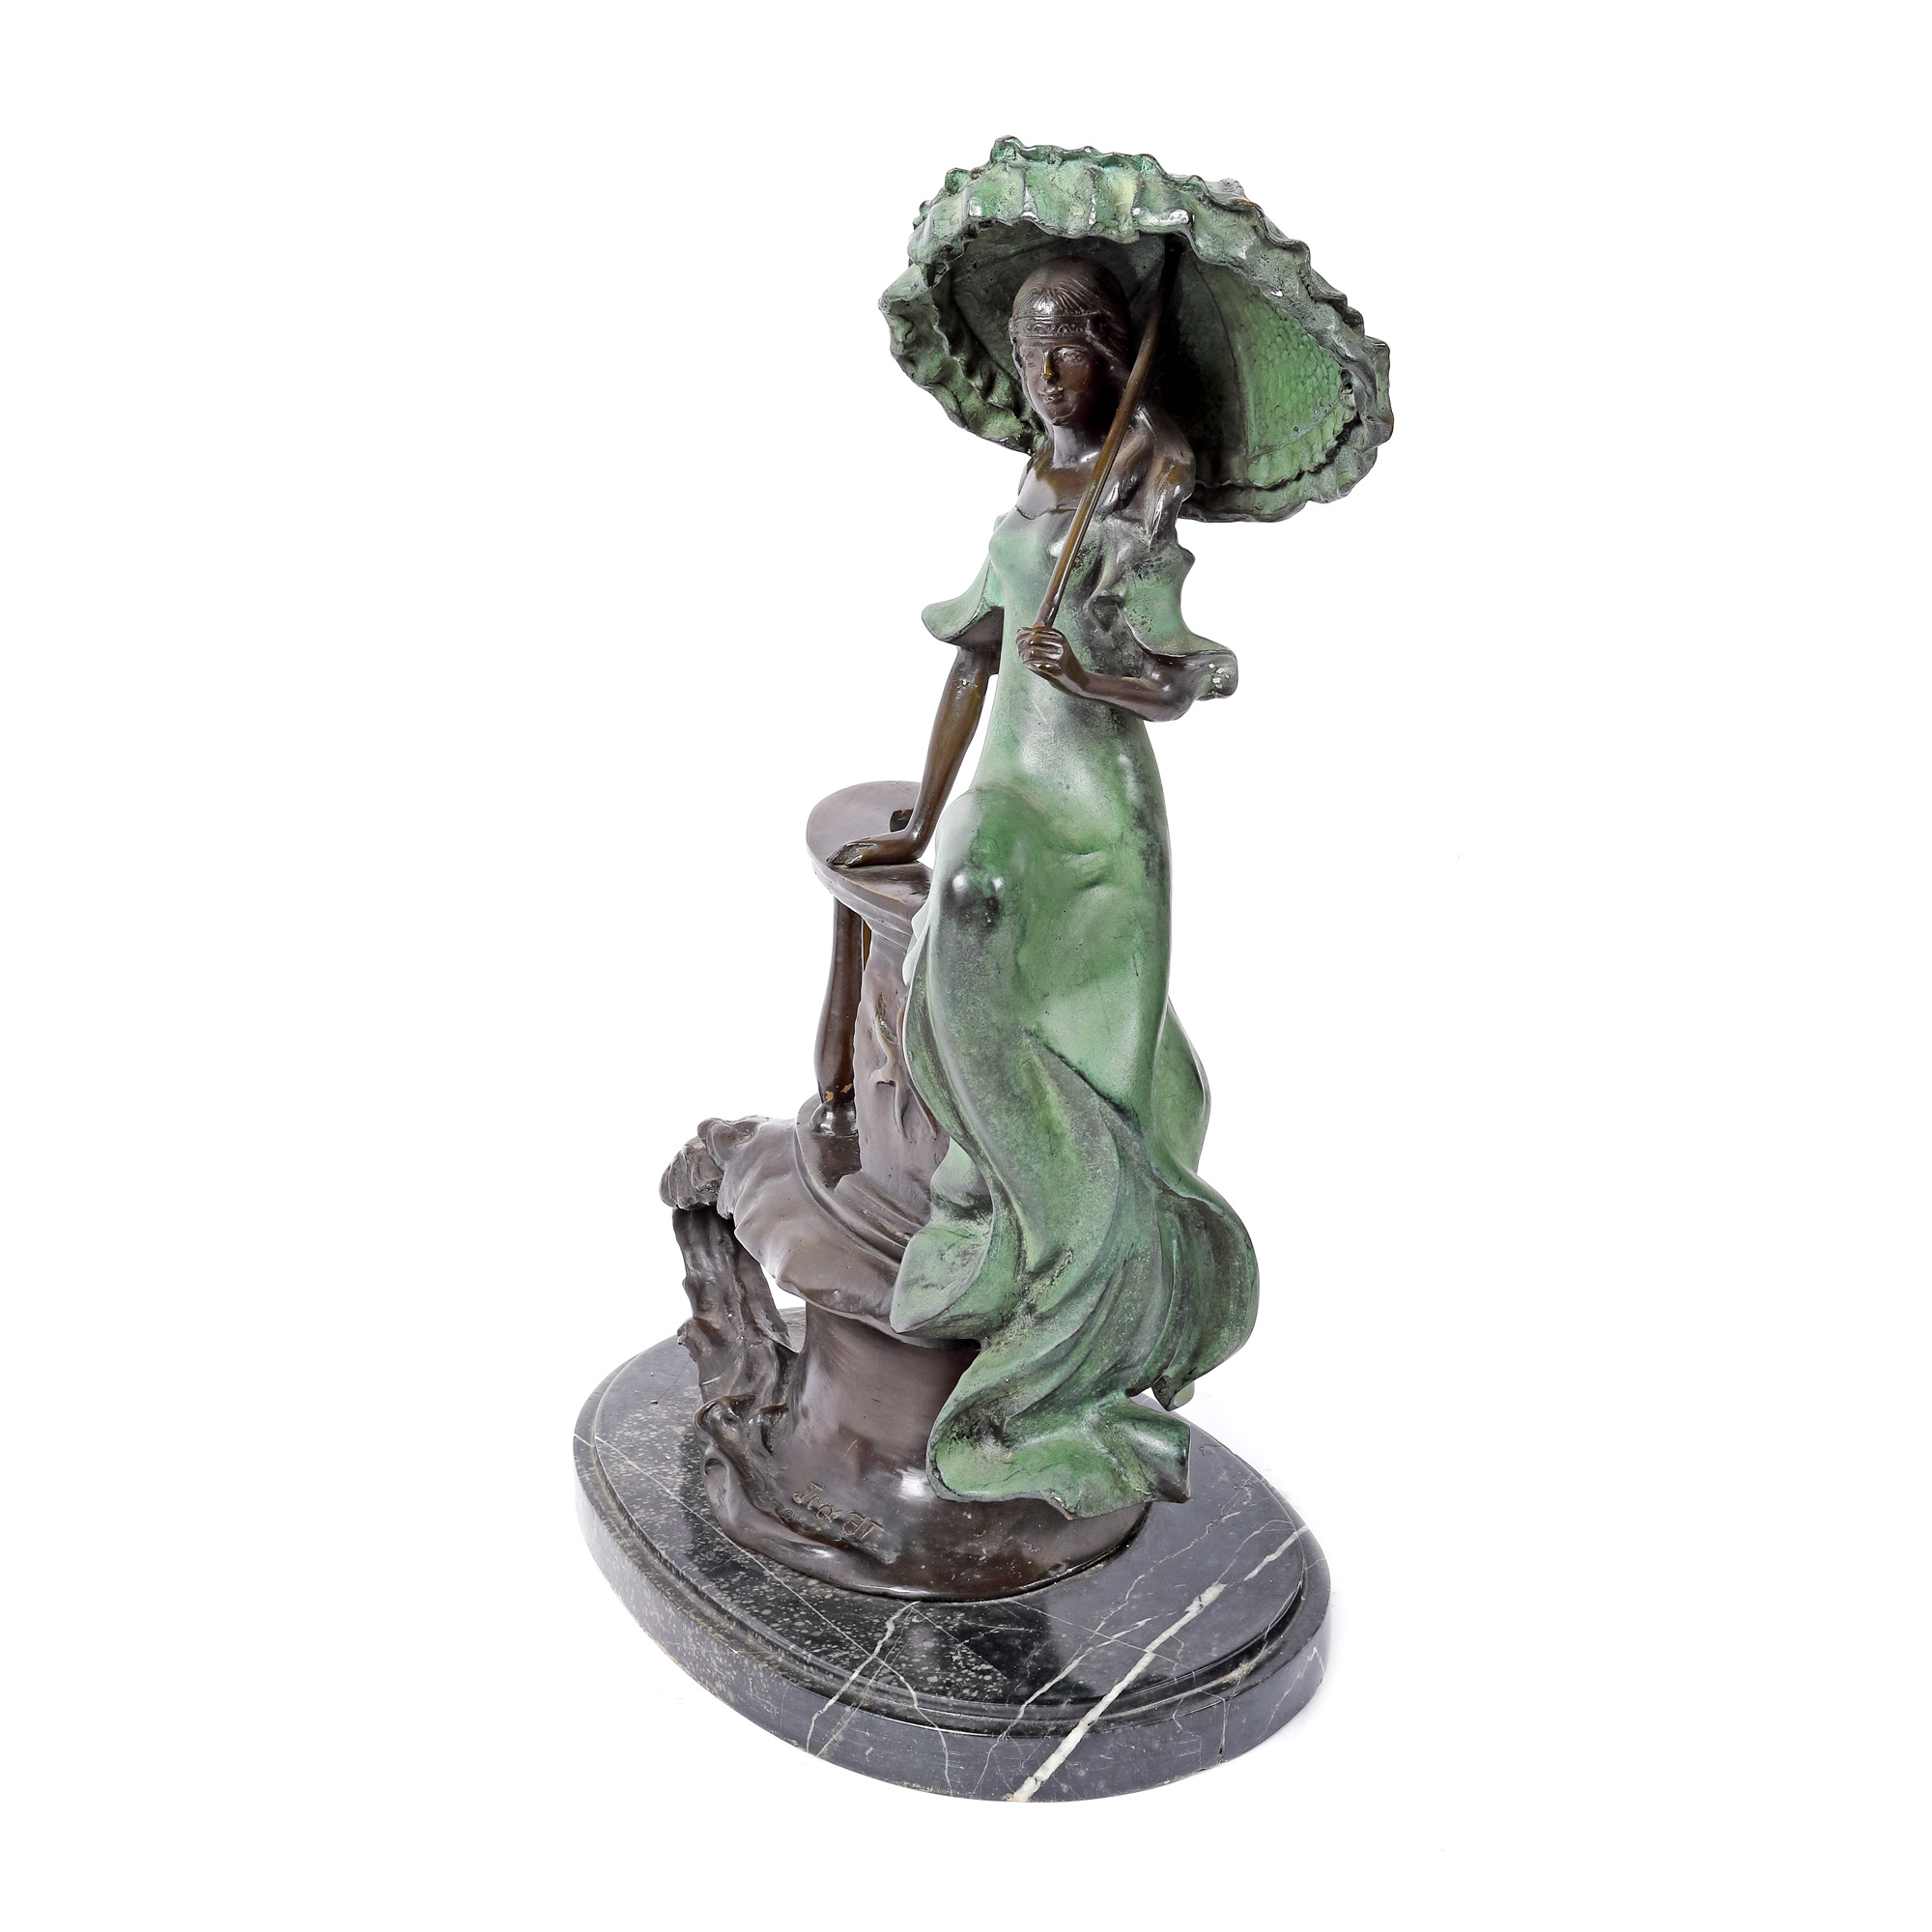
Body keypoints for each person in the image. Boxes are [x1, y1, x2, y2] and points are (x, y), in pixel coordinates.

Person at [836, 257, 1256, 1520]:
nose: (1046, 376)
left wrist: (1092, 670)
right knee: (953, 923)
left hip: (1096, 822)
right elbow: (974, 659)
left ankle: (1073, 1297)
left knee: (1072, 1034)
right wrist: (920, 818)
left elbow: (1179, 680)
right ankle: (998, 1193)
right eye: (1028, 355)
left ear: (1114, 353)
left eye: (1068, 349)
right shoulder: (1032, 489)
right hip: (1008, 791)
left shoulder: (1143, 496)